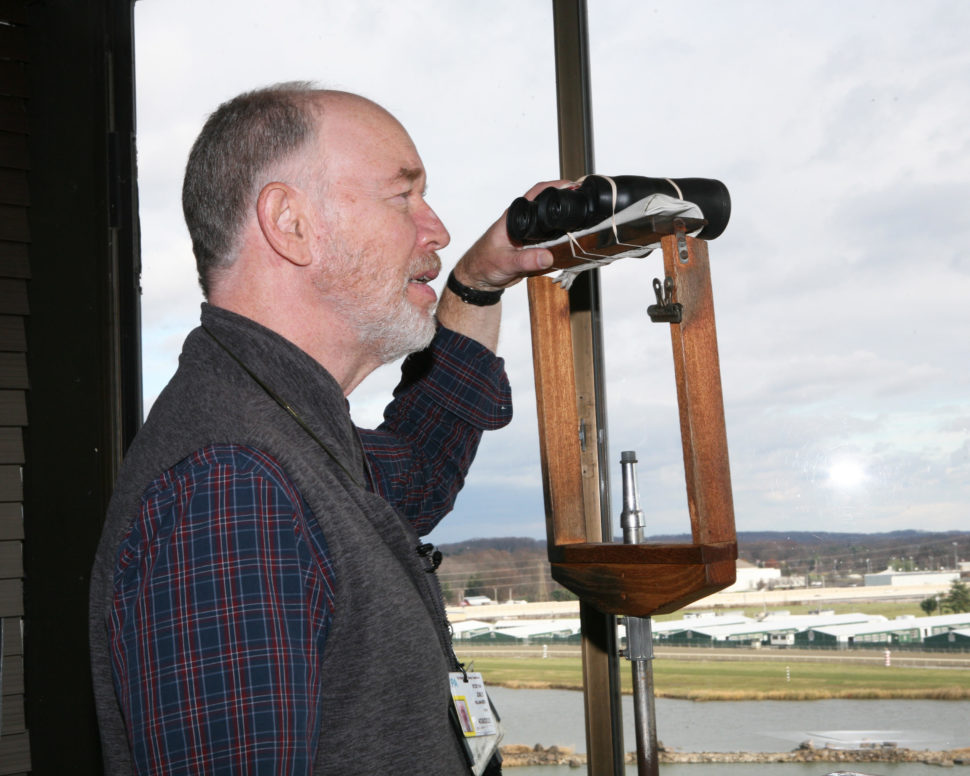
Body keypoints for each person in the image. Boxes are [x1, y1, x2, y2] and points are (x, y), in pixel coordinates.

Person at [88, 82, 558, 775]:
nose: (437, 228)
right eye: (404, 197)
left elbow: (416, 474)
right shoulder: (232, 485)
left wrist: (478, 282)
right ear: (291, 223)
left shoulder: (284, 431)